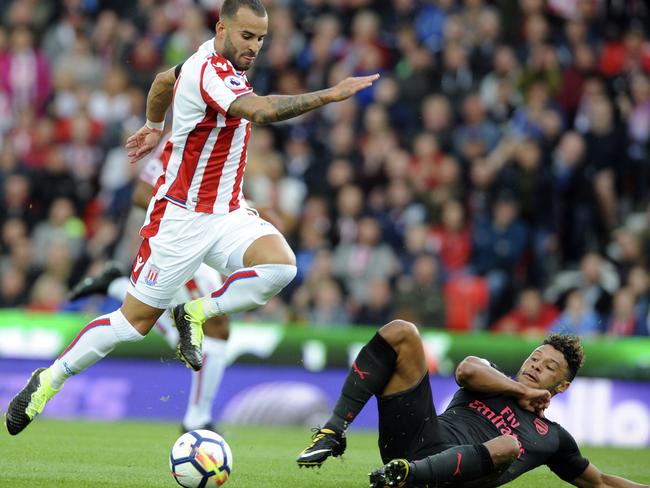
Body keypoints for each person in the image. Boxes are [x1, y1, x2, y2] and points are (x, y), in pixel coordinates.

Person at [5, 0, 378, 436]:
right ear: (221, 28)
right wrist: (331, 94)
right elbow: (262, 111)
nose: (254, 46)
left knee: (281, 266)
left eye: (261, 38)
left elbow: (164, 80)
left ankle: (194, 313)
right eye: (246, 36)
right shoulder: (211, 72)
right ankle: (49, 381)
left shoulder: (203, 62)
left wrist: (152, 123)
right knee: (133, 324)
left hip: (226, 212)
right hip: (180, 219)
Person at [297, 320, 649, 487]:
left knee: (509, 445)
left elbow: (600, 482)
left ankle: (403, 477)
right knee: (403, 331)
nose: (537, 365)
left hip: (455, 479)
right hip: (416, 440)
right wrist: (520, 391)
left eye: (549, 367)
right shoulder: (493, 378)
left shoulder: (553, 437)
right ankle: (332, 430)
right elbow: (465, 370)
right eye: (536, 357)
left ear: (562, 385)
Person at [67, 133, 231, 432]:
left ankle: (115, 285)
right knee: (214, 328)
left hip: (210, 240)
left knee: (202, 332)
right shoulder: (183, 135)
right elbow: (142, 194)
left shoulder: (229, 134)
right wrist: (188, 208)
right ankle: (197, 419)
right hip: (183, 240)